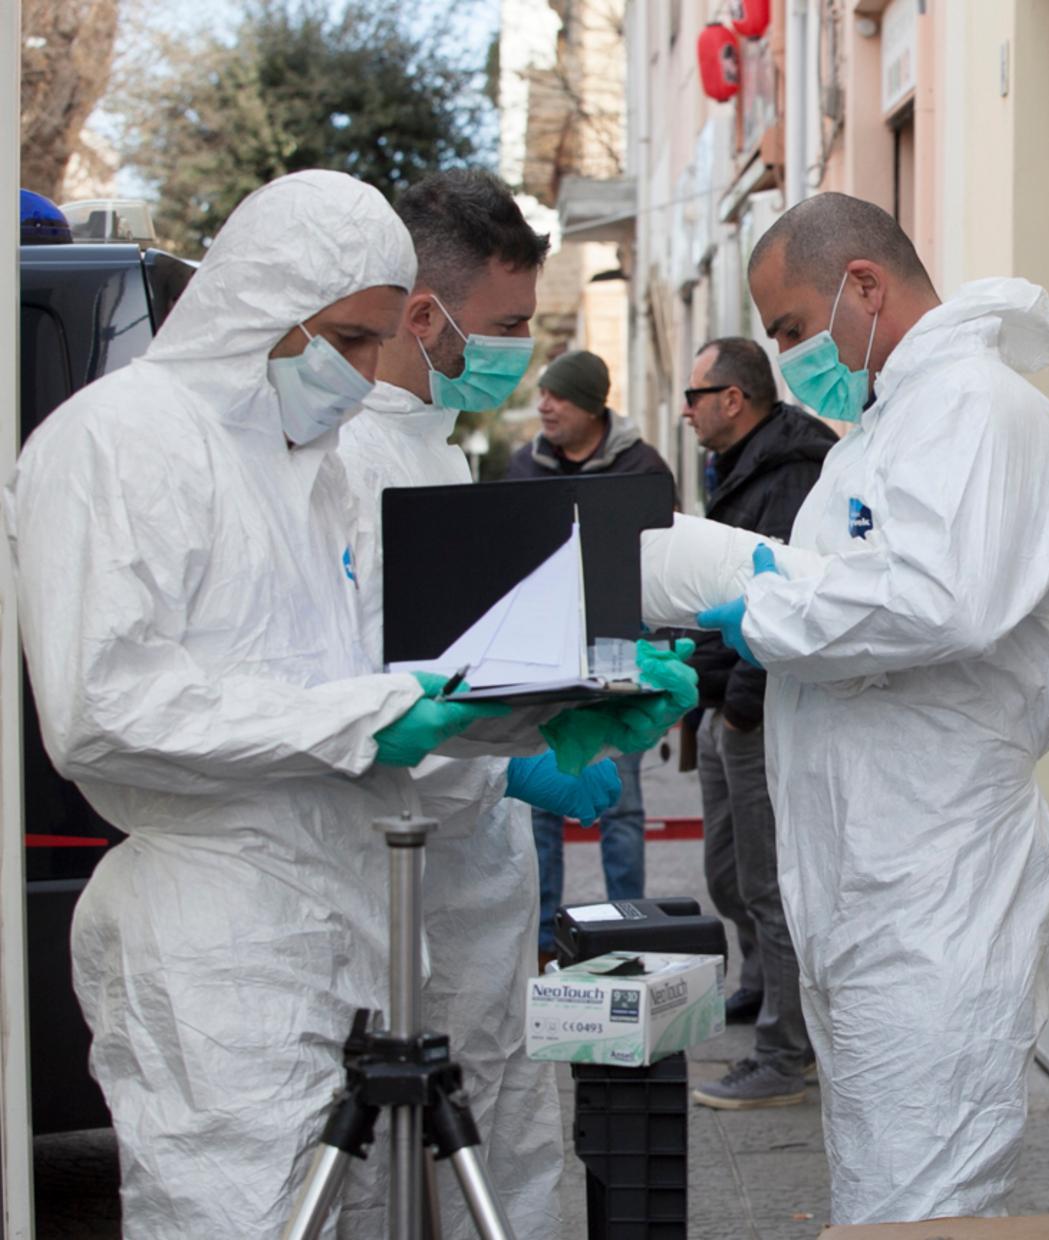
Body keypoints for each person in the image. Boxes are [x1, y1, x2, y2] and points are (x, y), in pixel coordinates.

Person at [6, 170, 693, 1239]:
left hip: (357, 917)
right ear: (258, 305)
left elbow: (374, 682)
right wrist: (372, 716)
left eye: (379, 340)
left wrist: (527, 720)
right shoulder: (114, 443)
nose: (368, 371)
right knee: (240, 1213)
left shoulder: (311, 466)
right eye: (348, 337)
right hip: (217, 934)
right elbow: (105, 704)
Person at [686, 194, 1049, 1222]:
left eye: (789, 328)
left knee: (925, 1198)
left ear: (864, 284)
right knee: (884, 1190)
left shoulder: (979, 411)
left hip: (932, 882)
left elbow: (934, 600)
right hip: (873, 880)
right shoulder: (889, 428)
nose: (784, 360)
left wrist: (763, 610)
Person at [338, 169, 615, 1238]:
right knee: (427, 1167)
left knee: (499, 1140)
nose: (519, 354)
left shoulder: (431, 449)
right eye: (504, 326)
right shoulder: (346, 463)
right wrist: (507, 744)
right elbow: (370, 692)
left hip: (472, 872)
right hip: (402, 877)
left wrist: (540, 721)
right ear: (424, 314)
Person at [680, 337, 835, 1110]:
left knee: (770, 883)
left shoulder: (790, 472)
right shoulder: (738, 467)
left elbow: (775, 596)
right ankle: (758, 987)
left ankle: (785, 1050)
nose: (686, 410)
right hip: (727, 706)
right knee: (727, 874)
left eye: (694, 394)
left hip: (760, 711)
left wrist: (739, 708)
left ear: (733, 400)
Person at [506, 350, 676, 966]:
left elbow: (663, 565)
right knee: (541, 805)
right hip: (542, 654)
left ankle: (626, 930)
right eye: (543, 395)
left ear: (593, 406)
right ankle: (544, 938)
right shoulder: (524, 466)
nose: (544, 406)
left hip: (619, 647)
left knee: (622, 803)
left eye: (559, 397)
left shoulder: (643, 467)